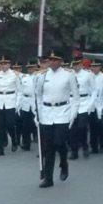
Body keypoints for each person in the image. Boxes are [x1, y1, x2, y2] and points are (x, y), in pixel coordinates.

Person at [35, 53, 79, 188]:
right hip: (47, 113)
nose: (52, 62)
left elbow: (75, 97)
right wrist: (37, 114)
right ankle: (48, 178)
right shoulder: (42, 75)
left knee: (59, 142)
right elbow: (38, 96)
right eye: (50, 60)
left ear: (60, 61)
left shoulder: (68, 74)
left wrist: (73, 114)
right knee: (49, 147)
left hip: (63, 112)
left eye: (55, 60)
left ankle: (64, 163)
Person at [0, 57, 20, 156]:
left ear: (9, 64)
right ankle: (0, 149)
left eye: (6, 63)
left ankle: (14, 139)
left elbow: (19, 91)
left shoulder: (15, 75)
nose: (3, 66)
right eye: (2, 64)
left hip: (10, 101)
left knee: (10, 124)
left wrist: (17, 104)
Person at [69, 58, 96, 159]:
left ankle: (85, 146)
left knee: (82, 127)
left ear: (81, 64)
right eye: (74, 64)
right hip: (72, 102)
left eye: (78, 64)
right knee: (72, 129)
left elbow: (94, 90)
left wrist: (90, 104)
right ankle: (74, 151)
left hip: (84, 102)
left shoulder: (88, 74)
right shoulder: (69, 74)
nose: (76, 66)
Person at [18, 62, 38, 151]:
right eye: (28, 68)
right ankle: (26, 144)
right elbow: (20, 91)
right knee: (25, 125)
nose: (30, 69)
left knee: (35, 124)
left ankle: (38, 140)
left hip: (34, 102)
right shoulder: (24, 78)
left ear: (35, 68)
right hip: (25, 102)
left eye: (32, 67)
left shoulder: (38, 77)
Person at [88, 61, 103, 154]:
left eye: (96, 66)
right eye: (93, 66)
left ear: (100, 67)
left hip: (100, 104)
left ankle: (102, 144)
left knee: (101, 127)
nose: (94, 68)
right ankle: (93, 146)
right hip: (91, 104)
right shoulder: (89, 76)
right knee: (92, 127)